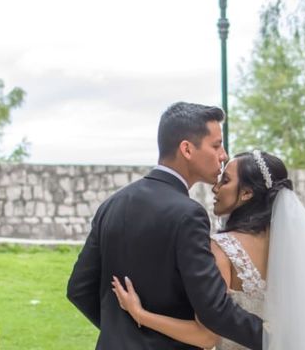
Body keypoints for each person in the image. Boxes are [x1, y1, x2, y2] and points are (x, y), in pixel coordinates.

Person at [67, 102, 263, 350]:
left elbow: (78, 289)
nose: (223, 155)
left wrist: (123, 333)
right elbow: (213, 308)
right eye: (216, 145)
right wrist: (277, 340)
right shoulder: (188, 214)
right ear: (187, 149)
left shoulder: (112, 204)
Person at [112, 150, 305, 350]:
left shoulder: (222, 248)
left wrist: (140, 314)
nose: (215, 187)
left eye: (225, 181)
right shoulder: (293, 249)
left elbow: (206, 337)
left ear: (246, 193)